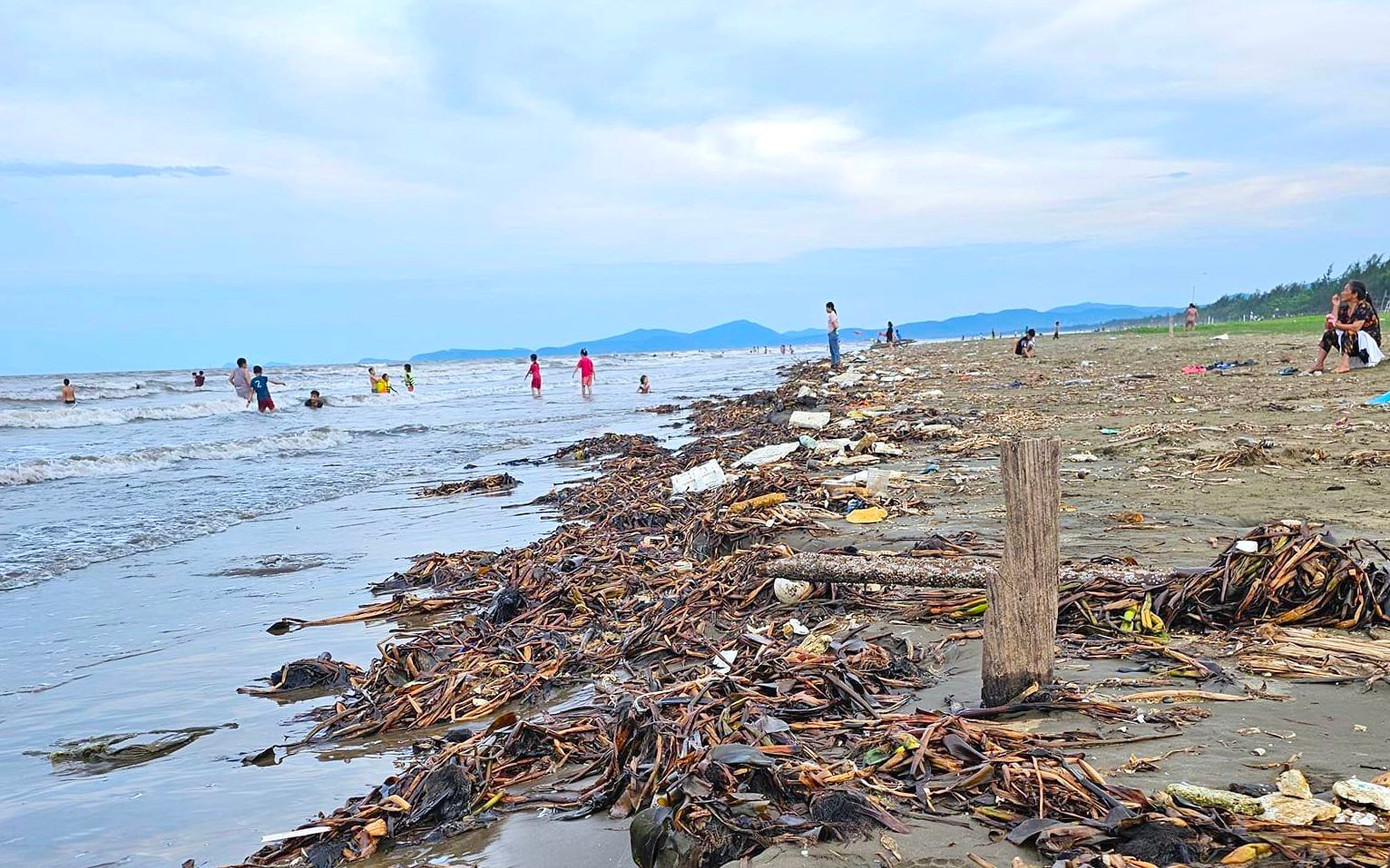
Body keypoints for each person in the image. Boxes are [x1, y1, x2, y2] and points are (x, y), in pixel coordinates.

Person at [1313, 280, 1382, 374]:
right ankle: (1318, 364)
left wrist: (1335, 325)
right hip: (1352, 342)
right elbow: (1331, 326)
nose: (1342, 293)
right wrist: (1335, 306)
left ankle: (1345, 364)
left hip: (1367, 343)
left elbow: (1355, 327)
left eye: (1346, 290)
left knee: (1349, 332)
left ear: (1354, 294)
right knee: (1329, 334)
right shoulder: (1344, 309)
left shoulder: (1364, 306)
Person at [826, 302, 841, 369]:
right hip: (831, 333)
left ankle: (837, 362)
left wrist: (833, 330)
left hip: (833, 333)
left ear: (830, 307)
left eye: (827, 308)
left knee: (835, 349)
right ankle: (834, 362)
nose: (826, 309)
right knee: (832, 349)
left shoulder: (832, 314)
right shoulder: (831, 314)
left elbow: (835, 325)